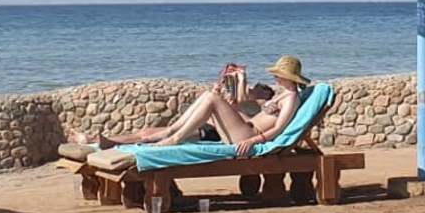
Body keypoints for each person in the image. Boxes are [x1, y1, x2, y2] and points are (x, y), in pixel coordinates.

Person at [86, 56, 309, 163]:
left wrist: (252, 141)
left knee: (211, 98)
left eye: (278, 74)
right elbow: (244, 104)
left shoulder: (291, 98)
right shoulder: (281, 95)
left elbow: (279, 129)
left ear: (287, 77)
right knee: (209, 95)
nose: (274, 77)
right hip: (244, 128)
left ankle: (174, 138)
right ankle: (171, 132)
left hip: (247, 136)